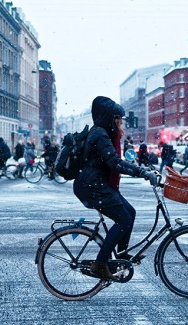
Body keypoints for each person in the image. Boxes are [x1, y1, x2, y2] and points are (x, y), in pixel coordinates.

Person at [74, 96, 157, 280]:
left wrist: (141, 170)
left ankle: (121, 254)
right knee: (123, 220)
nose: (121, 123)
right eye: (118, 119)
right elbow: (114, 163)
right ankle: (100, 264)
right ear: (110, 118)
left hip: (97, 184)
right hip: (93, 186)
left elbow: (114, 161)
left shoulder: (103, 132)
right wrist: (141, 172)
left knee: (130, 213)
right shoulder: (100, 135)